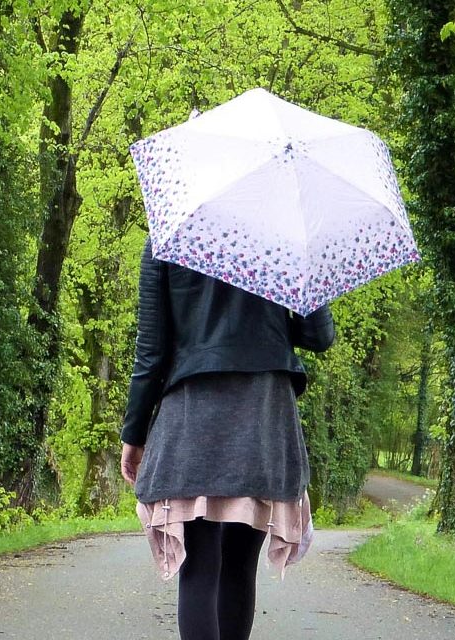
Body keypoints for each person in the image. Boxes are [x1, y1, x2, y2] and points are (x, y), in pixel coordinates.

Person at [120, 240, 335, 640]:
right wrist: (265, 321)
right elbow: (318, 335)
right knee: (240, 565)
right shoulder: (282, 233)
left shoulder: (169, 237)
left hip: (192, 409)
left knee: (199, 565)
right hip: (263, 411)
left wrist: (134, 434)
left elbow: (151, 350)